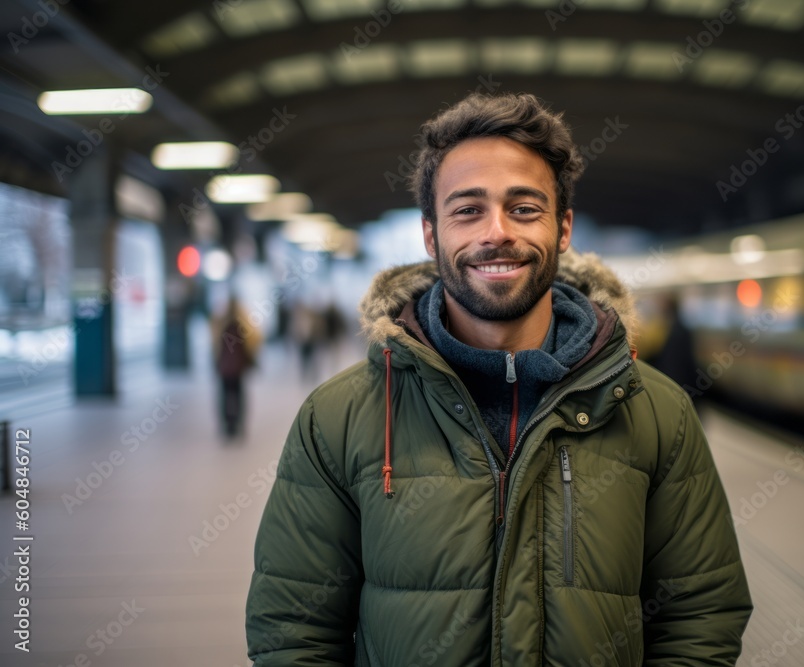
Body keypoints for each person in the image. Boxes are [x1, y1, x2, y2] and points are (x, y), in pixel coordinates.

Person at [246, 93, 752, 665]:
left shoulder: (658, 413)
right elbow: (292, 630)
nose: (497, 232)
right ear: (432, 236)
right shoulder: (339, 418)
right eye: (467, 210)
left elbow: (702, 613)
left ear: (563, 229)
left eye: (524, 208)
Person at [212, 295, 259, 437]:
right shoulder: (243, 325)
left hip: (225, 369)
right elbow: (249, 347)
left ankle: (227, 424)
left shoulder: (220, 324)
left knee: (225, 396)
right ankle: (239, 423)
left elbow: (216, 347)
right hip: (238, 368)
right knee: (239, 396)